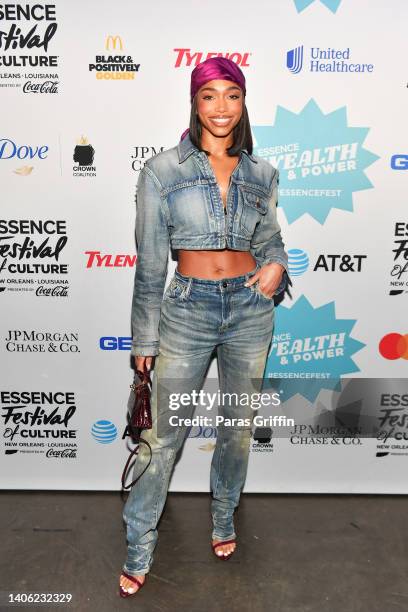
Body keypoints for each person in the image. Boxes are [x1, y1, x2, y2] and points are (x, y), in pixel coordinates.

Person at [119, 56, 291, 597]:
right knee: (162, 437)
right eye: (210, 95)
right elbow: (151, 264)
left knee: (236, 431)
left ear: (243, 104)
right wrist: (143, 339)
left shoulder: (262, 173)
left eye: (232, 96)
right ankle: (138, 544)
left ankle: (223, 519)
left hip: (248, 310)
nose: (221, 108)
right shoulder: (162, 171)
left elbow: (270, 240)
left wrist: (277, 264)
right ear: (194, 102)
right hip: (187, 310)